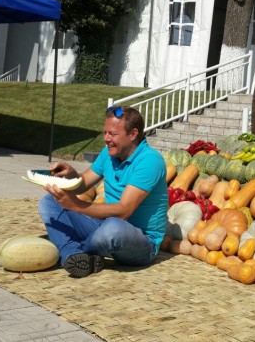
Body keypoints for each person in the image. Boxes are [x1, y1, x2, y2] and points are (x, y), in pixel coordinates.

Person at [38, 106, 168, 278]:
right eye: (105, 133)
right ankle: (72, 254)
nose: (106, 139)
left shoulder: (150, 160)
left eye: (112, 134)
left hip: (141, 242)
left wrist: (76, 206)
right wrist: (70, 175)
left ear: (133, 134)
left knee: (113, 229)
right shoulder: (109, 153)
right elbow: (83, 184)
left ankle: (67, 246)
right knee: (48, 201)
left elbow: (124, 210)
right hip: (103, 226)